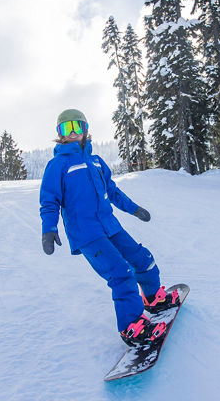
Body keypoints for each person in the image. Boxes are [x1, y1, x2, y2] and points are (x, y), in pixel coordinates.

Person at [39, 108, 180, 346]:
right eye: (66, 128)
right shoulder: (57, 165)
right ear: (59, 134)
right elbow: (49, 200)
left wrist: (134, 208)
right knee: (120, 273)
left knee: (143, 259)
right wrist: (49, 228)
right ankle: (131, 327)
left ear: (85, 129)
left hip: (110, 226)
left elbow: (112, 191)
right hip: (87, 235)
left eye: (77, 127)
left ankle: (154, 298)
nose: (72, 133)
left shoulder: (96, 161)